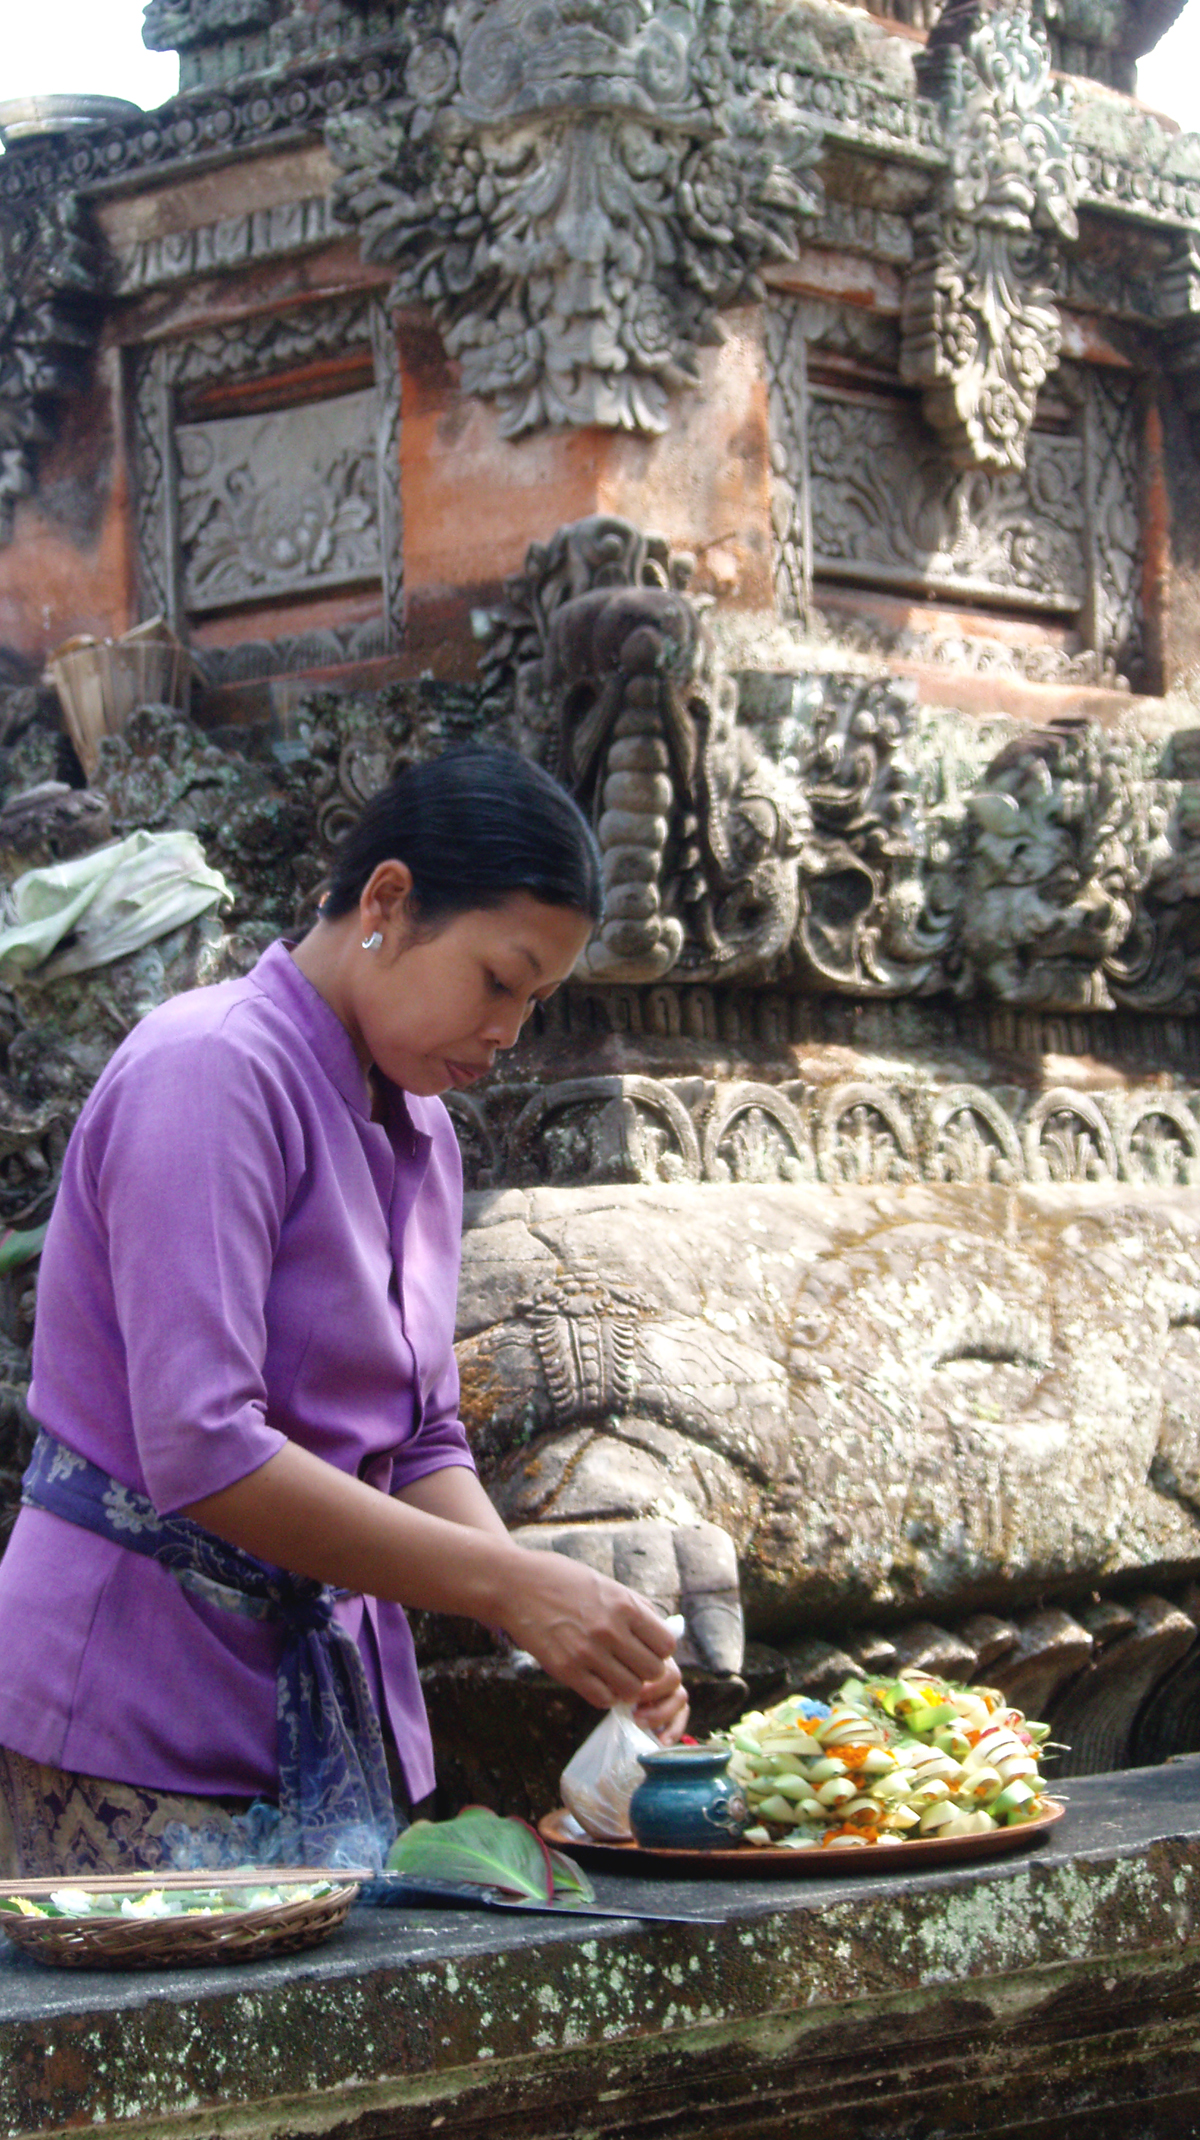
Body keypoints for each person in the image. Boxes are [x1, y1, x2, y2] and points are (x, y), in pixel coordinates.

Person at [0, 748, 686, 1876]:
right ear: (388, 903)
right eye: (498, 980)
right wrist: (512, 1586)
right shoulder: (211, 1069)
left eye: (535, 1002)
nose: (509, 1030)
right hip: (132, 1703)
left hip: (320, 1697)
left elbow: (420, 1439)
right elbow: (203, 1445)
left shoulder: (423, 1127)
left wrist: (560, 1617)